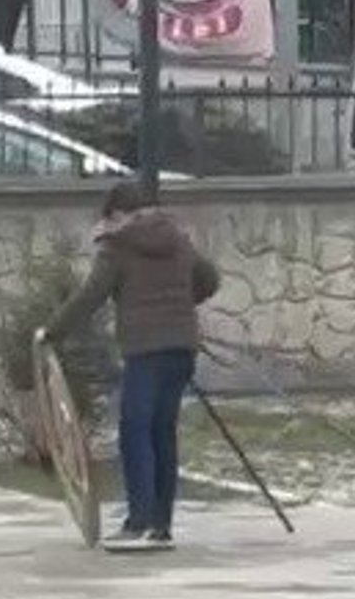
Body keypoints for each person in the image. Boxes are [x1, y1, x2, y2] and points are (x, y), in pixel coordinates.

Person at [48, 181, 219, 552]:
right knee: (162, 432)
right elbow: (210, 280)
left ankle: (139, 522)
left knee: (134, 430)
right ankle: (161, 525)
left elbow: (90, 296)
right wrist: (179, 303)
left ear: (117, 214)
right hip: (181, 347)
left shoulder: (117, 246)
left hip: (145, 349)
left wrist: (52, 332)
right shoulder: (178, 238)